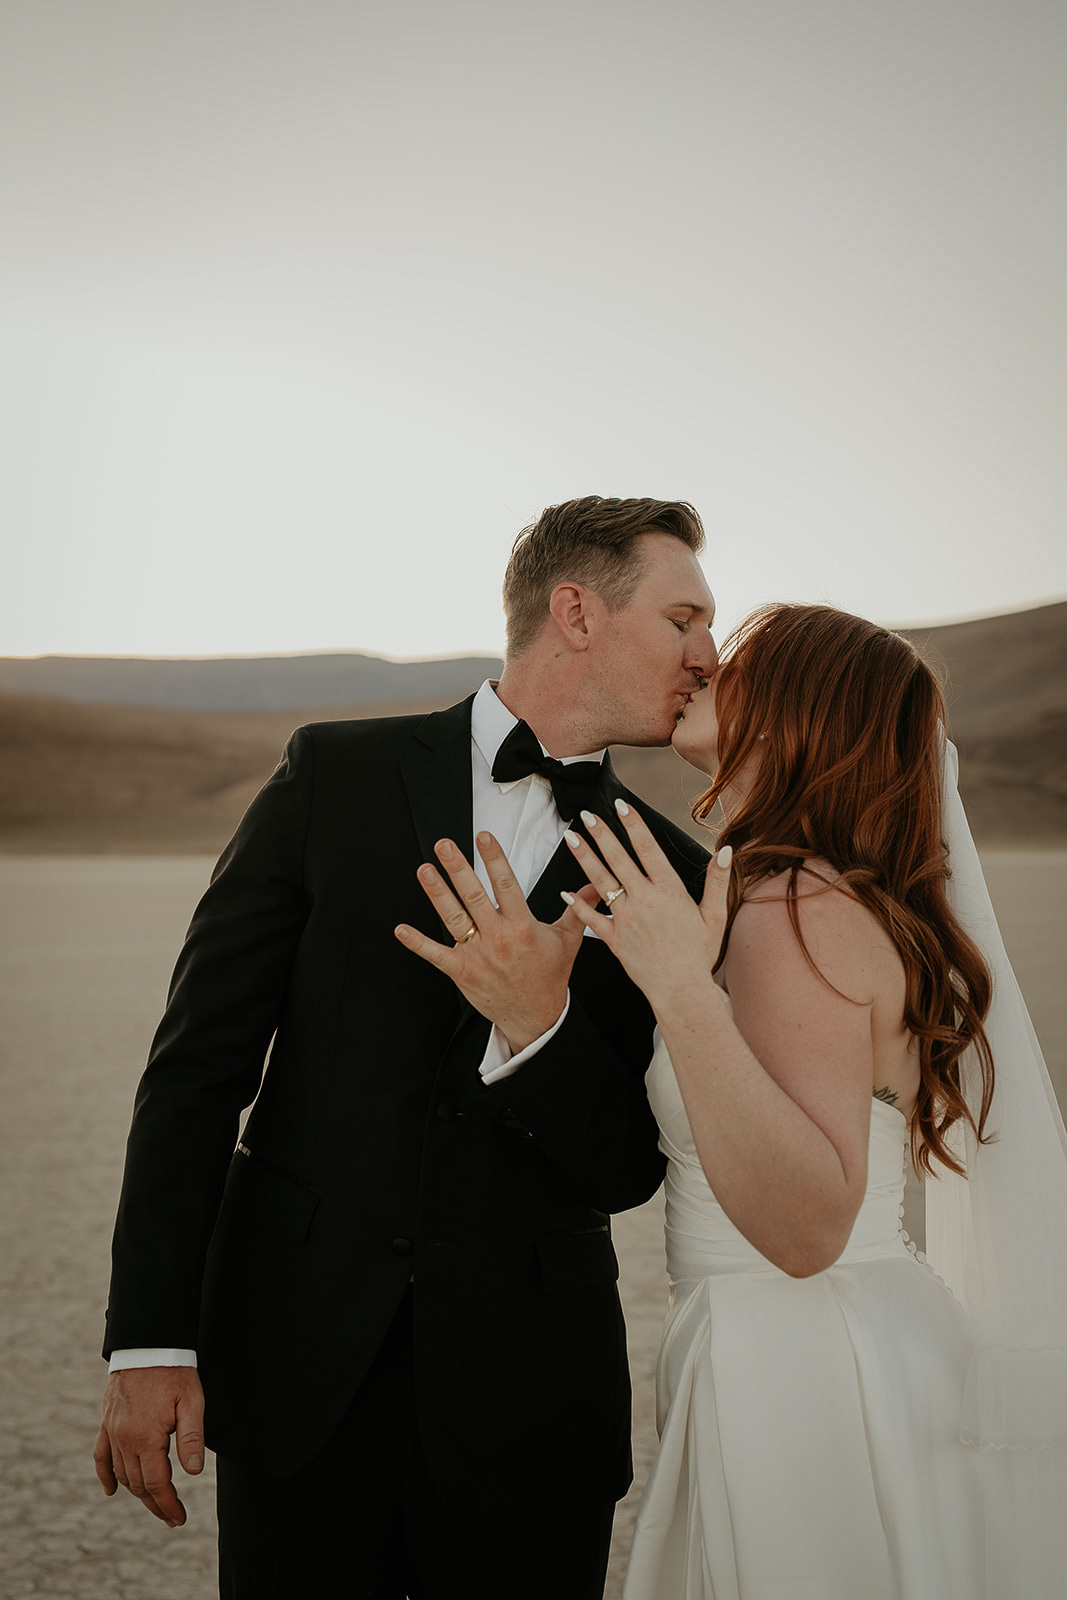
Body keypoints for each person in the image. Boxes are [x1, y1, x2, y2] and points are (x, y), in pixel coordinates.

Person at [93, 495, 718, 1599]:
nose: (706, 656)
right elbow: (196, 1071)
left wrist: (542, 1025)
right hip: (301, 1374)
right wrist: (149, 1341)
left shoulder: (673, 873)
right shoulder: (333, 775)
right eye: (682, 619)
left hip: (530, 1414)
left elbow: (628, 1166)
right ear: (575, 611)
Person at [539, 602, 1067, 1598]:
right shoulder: (827, 895)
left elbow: (806, 1226)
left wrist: (682, 992)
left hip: (799, 1368)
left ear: (794, 714)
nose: (704, 668)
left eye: (738, 662)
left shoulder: (794, 909)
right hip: (848, 1339)